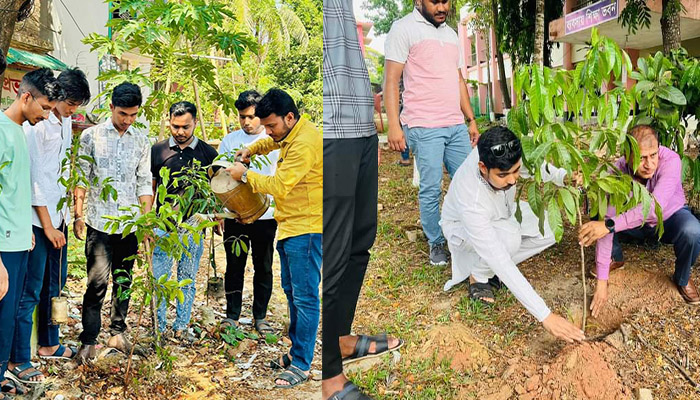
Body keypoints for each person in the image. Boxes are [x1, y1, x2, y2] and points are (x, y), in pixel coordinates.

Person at [323, 2, 403, 399]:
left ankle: (339, 338)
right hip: (329, 125)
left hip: (359, 125)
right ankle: (330, 379)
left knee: (359, 243)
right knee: (334, 253)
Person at [440, 126, 586, 343]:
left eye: (515, 170)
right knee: (509, 240)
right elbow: (499, 257)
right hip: (462, 228)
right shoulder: (472, 198)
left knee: (549, 228)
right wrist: (545, 315)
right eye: (503, 175)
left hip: (502, 215)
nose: (512, 180)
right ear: (482, 167)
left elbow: (534, 168)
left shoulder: (505, 152)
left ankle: (489, 268)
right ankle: (478, 275)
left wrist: (562, 177)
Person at [226, 89, 321, 389]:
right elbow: (272, 141)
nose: (267, 132)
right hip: (291, 224)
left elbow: (279, 186)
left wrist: (244, 175)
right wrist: (252, 151)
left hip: (307, 228)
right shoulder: (290, 132)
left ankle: (302, 364)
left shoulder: (305, 143)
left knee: (305, 297)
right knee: (292, 292)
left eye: (271, 125)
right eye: (265, 126)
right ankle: (296, 353)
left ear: (289, 117)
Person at [8, 68, 90, 385]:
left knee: (53, 285)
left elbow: (59, 171)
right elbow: (34, 180)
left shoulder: (65, 121)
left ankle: (49, 342)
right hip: (37, 221)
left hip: (58, 217)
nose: (72, 110)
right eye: (69, 103)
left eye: (75, 105)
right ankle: (18, 357)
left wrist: (65, 216)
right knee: (28, 291)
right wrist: (47, 226)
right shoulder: (35, 126)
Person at [384, 0, 480, 266]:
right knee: (431, 188)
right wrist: (394, 125)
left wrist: (470, 119)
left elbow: (458, 79)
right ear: (418, 1)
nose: (441, 7)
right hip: (424, 125)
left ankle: (466, 233)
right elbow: (391, 79)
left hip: (455, 124)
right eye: (434, 1)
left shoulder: (450, 35)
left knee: (470, 180)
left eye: (445, 1)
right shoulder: (403, 28)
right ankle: (436, 242)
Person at [579, 124, 700, 317]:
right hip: (634, 225)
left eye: (653, 155)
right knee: (599, 210)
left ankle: (683, 278)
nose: (649, 164)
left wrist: (609, 226)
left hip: (668, 220)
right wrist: (602, 282)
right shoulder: (617, 172)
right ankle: (615, 257)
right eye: (642, 157)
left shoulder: (671, 160)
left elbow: (653, 209)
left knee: (692, 231)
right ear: (627, 154)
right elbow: (607, 220)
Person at [74, 82, 153, 363]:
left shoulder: (142, 140)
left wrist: (144, 222)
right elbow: (82, 176)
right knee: (96, 283)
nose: (127, 120)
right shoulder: (91, 137)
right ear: (111, 107)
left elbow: (144, 181)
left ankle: (117, 333)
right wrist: (78, 213)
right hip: (98, 221)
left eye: (133, 115)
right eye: (123, 114)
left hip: (129, 224)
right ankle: (88, 340)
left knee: (124, 280)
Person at [0, 68, 63, 398]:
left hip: (19, 236)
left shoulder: (21, 132)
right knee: (3, 308)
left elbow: (15, 191)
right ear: (26, 97)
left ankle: (3, 371)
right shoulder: (1, 131)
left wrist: (28, 230)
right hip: (3, 244)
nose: (47, 114)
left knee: (10, 310)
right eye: (45, 107)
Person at [150, 101, 218, 343]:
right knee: (159, 279)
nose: (180, 132)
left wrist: (214, 218)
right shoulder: (157, 151)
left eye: (185, 127)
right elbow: (152, 186)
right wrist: (148, 220)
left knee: (186, 279)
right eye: (175, 126)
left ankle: (181, 326)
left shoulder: (208, 153)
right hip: (163, 225)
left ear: (195, 124)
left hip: (192, 226)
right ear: (168, 121)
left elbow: (215, 190)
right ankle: (158, 327)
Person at [218, 91, 279, 335]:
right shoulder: (229, 141)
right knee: (234, 265)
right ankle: (231, 316)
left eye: (252, 117)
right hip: (235, 217)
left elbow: (278, 179)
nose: (247, 122)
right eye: (243, 117)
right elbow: (219, 179)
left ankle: (260, 317)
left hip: (265, 216)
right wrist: (222, 212)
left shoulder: (273, 141)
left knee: (263, 266)